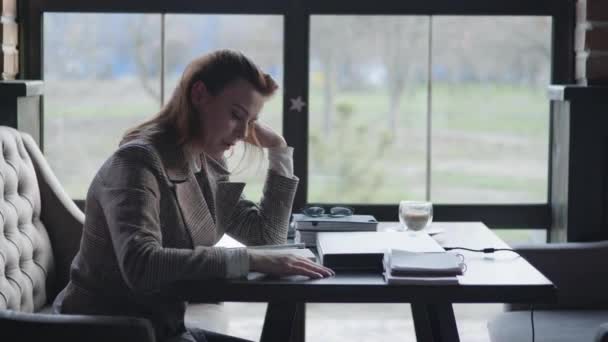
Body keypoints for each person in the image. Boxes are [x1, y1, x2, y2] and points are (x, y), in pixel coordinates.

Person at [53, 49, 334, 342]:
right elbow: (141, 264)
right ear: (199, 94)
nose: (243, 133)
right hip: (106, 333)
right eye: (236, 115)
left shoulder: (205, 162)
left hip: (162, 330)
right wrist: (250, 260)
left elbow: (266, 235)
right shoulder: (137, 160)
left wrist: (278, 151)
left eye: (251, 122)